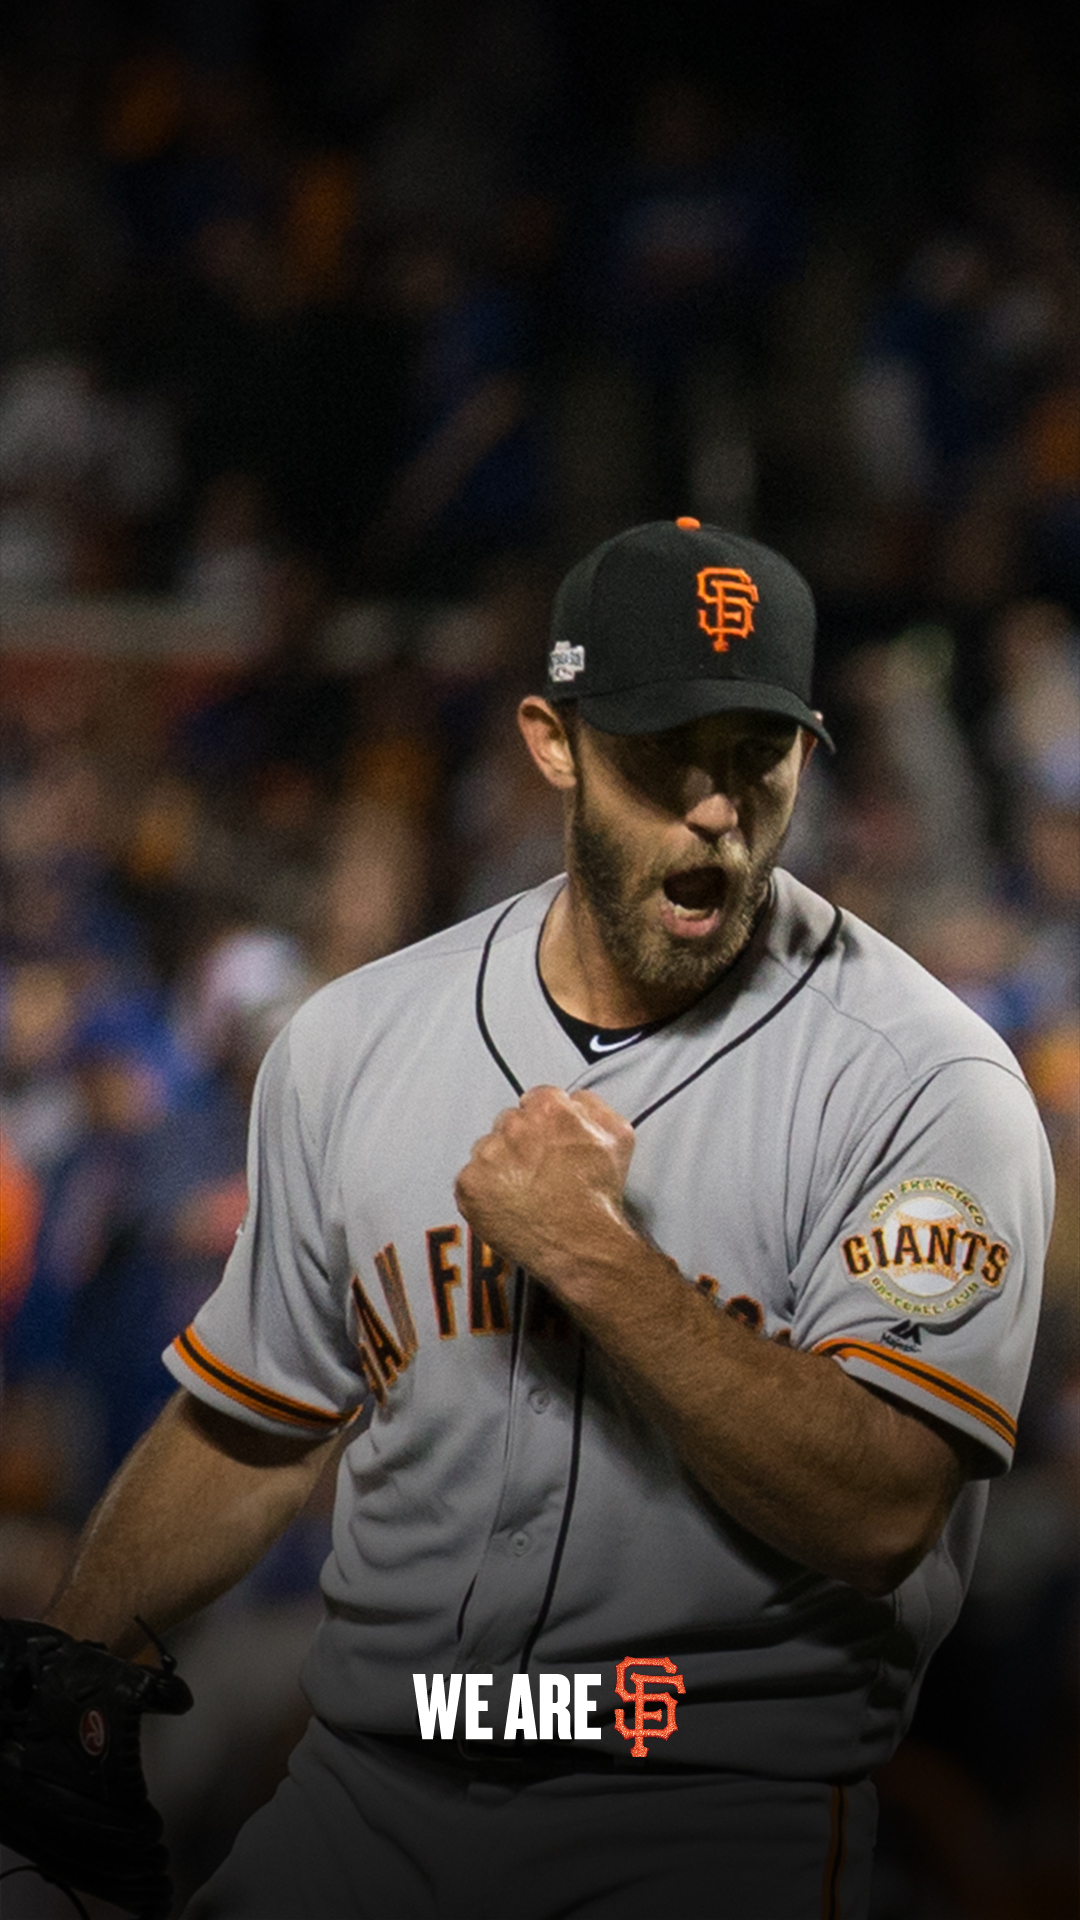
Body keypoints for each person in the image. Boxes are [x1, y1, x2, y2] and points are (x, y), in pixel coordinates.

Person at [35, 519, 1051, 1919]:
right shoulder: (358, 1042)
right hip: (370, 1789)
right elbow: (256, 1413)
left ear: (807, 756)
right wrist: (79, 1664)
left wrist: (589, 1254)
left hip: (704, 1813)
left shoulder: (926, 1085)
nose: (714, 807)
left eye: (755, 757)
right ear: (553, 741)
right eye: (663, 752)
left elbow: (882, 1503)